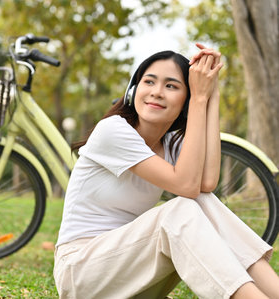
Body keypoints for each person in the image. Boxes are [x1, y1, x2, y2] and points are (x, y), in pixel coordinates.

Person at [53, 44, 279, 299]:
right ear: (133, 90)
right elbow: (185, 185)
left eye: (171, 86)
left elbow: (206, 183)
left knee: (202, 200)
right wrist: (200, 99)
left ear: (186, 100)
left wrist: (210, 94)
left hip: (131, 273)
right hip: (82, 273)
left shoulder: (171, 144)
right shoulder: (113, 130)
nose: (157, 92)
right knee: (179, 209)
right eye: (149, 82)